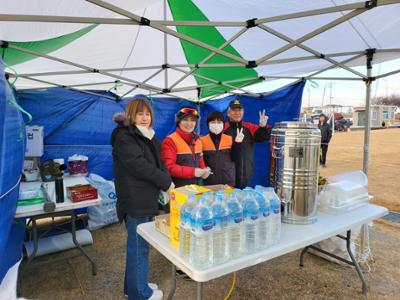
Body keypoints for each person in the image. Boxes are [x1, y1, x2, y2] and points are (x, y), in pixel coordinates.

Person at [111, 98, 173, 300]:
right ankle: (140, 294)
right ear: (131, 115)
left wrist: (167, 182)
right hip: (135, 200)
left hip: (147, 198)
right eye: (140, 114)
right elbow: (139, 166)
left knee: (140, 245)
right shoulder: (124, 136)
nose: (144, 118)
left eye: (147, 114)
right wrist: (165, 182)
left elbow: (160, 163)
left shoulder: (149, 137)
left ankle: (134, 287)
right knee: (138, 248)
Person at [224, 99, 271, 188]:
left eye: (239, 110)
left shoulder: (249, 127)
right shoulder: (223, 128)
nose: (237, 113)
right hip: (227, 174)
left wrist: (263, 127)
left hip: (246, 172)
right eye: (234, 110)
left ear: (243, 112)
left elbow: (261, 138)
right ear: (228, 113)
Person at [161, 107, 211, 188]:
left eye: (192, 120)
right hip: (178, 190)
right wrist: (193, 172)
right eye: (185, 120)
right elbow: (169, 167)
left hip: (196, 188)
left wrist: (204, 170)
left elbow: (200, 159)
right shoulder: (170, 141)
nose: (189, 124)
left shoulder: (198, 140)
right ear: (179, 122)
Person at [201, 111, 242, 187]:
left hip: (228, 181)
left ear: (223, 124)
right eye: (213, 122)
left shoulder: (229, 139)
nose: (216, 124)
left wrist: (237, 144)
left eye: (219, 122)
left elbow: (236, 159)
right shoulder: (202, 141)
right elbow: (200, 161)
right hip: (210, 183)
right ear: (208, 124)